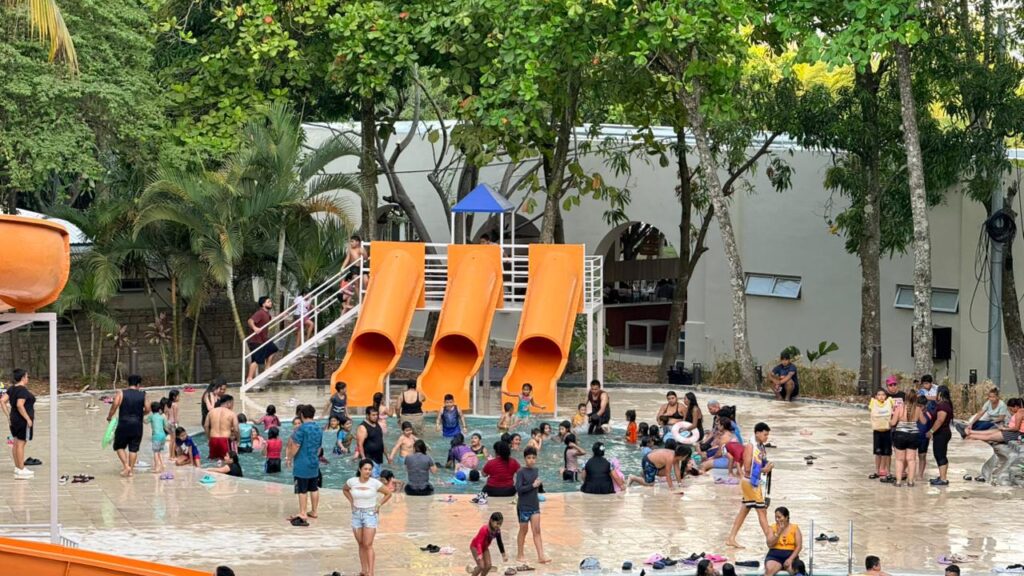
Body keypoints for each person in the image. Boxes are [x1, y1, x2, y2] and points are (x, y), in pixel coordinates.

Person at [725, 422, 774, 548]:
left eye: (767, 435)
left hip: (752, 482)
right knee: (762, 511)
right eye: (765, 435)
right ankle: (770, 539)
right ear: (757, 433)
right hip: (750, 483)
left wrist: (766, 466)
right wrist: (764, 470)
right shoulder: (750, 447)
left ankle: (731, 538)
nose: (766, 437)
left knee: (744, 511)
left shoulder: (760, 446)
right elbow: (747, 468)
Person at [343, 458, 392, 576]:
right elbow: (345, 490)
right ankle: (364, 570)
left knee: (368, 544)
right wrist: (351, 502)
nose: (367, 471)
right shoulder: (352, 481)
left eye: (370, 469)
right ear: (360, 469)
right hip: (356, 514)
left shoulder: (375, 483)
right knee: (360, 543)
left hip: (370, 514)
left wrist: (379, 505)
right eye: (365, 469)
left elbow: (388, 493)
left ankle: (371, 572)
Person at [107, 374, 148, 477]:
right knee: (133, 448)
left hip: (123, 424)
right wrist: (140, 415)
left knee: (119, 446)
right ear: (138, 384)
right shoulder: (143, 394)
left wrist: (109, 417)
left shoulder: (121, 393)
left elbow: (115, 405)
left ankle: (126, 466)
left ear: (128, 383)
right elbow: (148, 409)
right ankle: (131, 471)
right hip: (137, 425)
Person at [287, 404, 322, 526]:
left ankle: (303, 512)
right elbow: (319, 448)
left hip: (302, 464)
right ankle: (314, 511)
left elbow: (296, 445)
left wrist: (289, 458)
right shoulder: (318, 428)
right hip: (314, 462)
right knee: (313, 487)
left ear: (302, 415)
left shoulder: (301, 429)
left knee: (302, 489)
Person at [515, 446, 550, 564]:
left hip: (535, 506)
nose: (531, 460)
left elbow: (536, 486)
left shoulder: (536, 471)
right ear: (525, 458)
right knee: (523, 531)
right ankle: (520, 554)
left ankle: (541, 556)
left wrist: (539, 485)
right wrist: (533, 486)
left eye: (534, 458)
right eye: (529, 458)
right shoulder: (521, 472)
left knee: (537, 531)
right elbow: (519, 489)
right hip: (523, 507)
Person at [2, 369, 35, 479]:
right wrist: (28, 419)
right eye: (27, 376)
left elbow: (2, 401)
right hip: (22, 421)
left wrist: (8, 415)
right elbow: (20, 405)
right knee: (21, 443)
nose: (28, 378)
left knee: (15, 443)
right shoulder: (22, 391)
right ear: (22, 378)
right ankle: (21, 468)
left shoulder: (12, 389)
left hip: (14, 419)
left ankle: (17, 467)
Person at [890, 391, 923, 487]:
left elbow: (893, 423)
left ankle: (898, 481)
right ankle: (911, 481)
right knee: (911, 459)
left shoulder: (899, 408)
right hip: (913, 436)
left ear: (905, 398)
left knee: (899, 459)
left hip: (900, 435)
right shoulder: (918, 409)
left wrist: (888, 420)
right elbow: (923, 421)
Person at [246, 296, 279, 383]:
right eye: (268, 302)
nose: (270, 303)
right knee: (256, 360)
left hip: (263, 340)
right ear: (263, 304)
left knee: (273, 349)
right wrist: (254, 328)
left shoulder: (267, 314)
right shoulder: (260, 313)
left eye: (270, 301)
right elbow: (250, 320)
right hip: (256, 340)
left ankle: (267, 367)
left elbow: (272, 319)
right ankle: (249, 378)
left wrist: (282, 315)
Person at [927, 386, 954, 486]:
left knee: (940, 455)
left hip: (941, 433)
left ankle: (943, 479)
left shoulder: (942, 406)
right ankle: (942, 476)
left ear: (940, 394)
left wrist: (931, 431)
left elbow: (940, 420)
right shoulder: (947, 404)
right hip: (944, 433)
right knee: (942, 454)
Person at [764, 507, 802, 576]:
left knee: (794, 571)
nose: (777, 520)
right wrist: (779, 532)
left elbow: (799, 546)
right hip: (774, 555)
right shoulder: (772, 527)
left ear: (786, 517)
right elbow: (769, 544)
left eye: (779, 517)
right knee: (769, 570)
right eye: (775, 517)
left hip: (790, 555)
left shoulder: (795, 528)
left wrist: (790, 559)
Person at [868, 388, 894, 482]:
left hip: (887, 431)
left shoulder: (890, 402)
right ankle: (877, 471)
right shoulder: (873, 403)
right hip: (877, 431)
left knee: (887, 453)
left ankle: (888, 472)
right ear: (875, 396)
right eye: (879, 395)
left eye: (883, 394)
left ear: (886, 396)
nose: (881, 396)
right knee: (878, 452)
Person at [470, 512, 509, 576]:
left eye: (500, 524)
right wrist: (479, 554)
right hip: (475, 546)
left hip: (484, 547)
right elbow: (479, 542)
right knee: (481, 566)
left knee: (488, 565)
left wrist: (503, 555)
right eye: (497, 523)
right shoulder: (484, 529)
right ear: (491, 520)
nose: (498, 526)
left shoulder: (497, 530)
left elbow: (499, 542)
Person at [205, 395, 239, 461]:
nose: (233, 406)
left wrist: (209, 438)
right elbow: (236, 429)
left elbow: (206, 426)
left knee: (213, 460)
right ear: (228, 403)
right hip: (225, 440)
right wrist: (238, 440)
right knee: (228, 460)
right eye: (232, 403)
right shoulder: (232, 414)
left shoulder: (211, 412)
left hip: (213, 439)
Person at [355, 406, 386, 477]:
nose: (376, 417)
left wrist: (387, 456)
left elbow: (380, 441)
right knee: (372, 480)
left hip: (379, 458)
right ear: (367, 415)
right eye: (373, 415)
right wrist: (363, 458)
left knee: (377, 479)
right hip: (369, 458)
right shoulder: (363, 427)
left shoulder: (377, 424)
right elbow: (359, 444)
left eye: (376, 415)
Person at [146, 401, 172, 474]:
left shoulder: (151, 416)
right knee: (159, 451)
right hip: (163, 436)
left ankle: (157, 467)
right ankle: (162, 464)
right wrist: (171, 433)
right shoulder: (163, 415)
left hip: (156, 436)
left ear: (151, 409)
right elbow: (166, 426)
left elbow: (145, 421)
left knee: (155, 452)